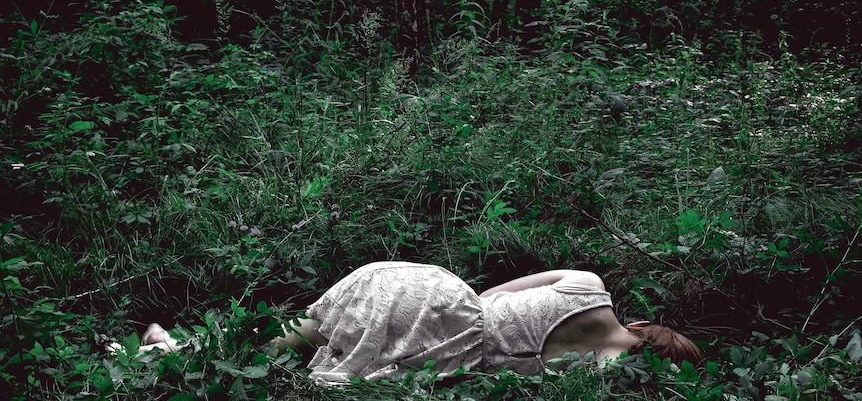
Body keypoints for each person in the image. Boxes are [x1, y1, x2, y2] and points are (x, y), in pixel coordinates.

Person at [122, 261, 703, 384]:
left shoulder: (587, 284)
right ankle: (170, 351)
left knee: (290, 335)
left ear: (649, 326)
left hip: (433, 290)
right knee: (291, 357)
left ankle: (174, 346)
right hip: (446, 341)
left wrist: (438, 308)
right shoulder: (600, 371)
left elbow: (494, 293)